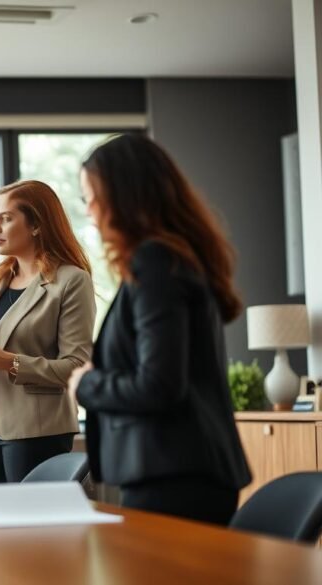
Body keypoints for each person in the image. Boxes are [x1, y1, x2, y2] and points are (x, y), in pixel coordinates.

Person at [67, 133, 251, 525]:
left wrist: (86, 385)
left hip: (175, 475)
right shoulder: (170, 258)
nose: (90, 211)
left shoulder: (155, 263)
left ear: (126, 197)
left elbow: (159, 385)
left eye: (92, 197)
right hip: (179, 470)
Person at [0, 180, 96, 483]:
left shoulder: (71, 281)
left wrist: (8, 362)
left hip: (36, 429)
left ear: (36, 225)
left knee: (27, 527)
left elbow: (76, 368)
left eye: (6, 218)